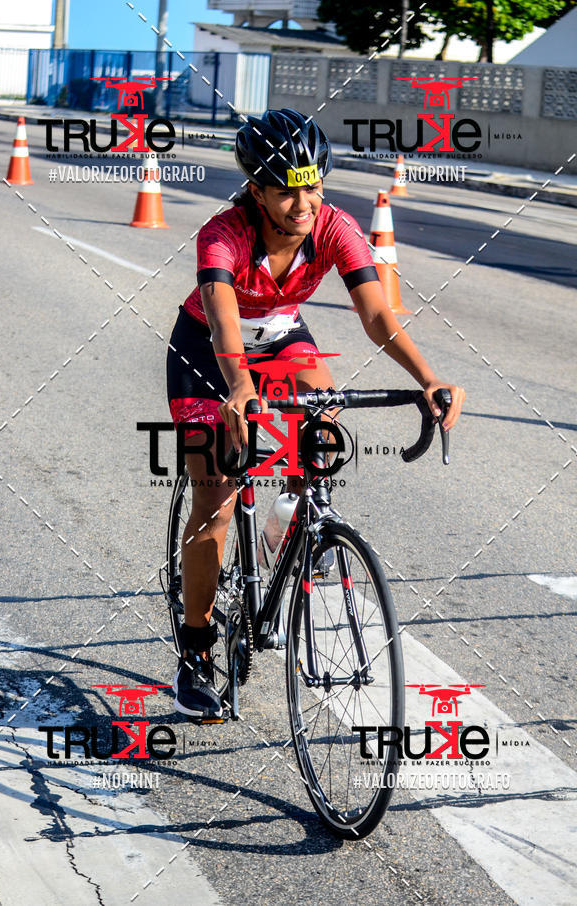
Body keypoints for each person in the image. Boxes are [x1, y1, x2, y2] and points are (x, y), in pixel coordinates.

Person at [166, 108, 465, 720]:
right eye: (287, 190)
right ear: (257, 191)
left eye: (314, 184)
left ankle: (291, 519)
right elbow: (224, 319)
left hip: (280, 333)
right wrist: (240, 389)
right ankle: (195, 649)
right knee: (217, 494)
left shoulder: (335, 227)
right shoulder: (224, 234)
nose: (304, 202)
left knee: (320, 422)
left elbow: (379, 316)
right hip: (208, 349)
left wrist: (428, 377)